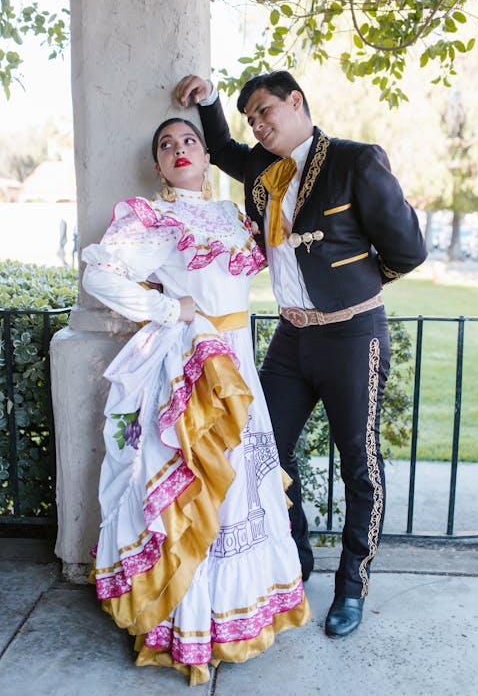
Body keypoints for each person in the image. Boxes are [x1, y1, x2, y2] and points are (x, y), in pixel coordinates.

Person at [175, 72, 428, 638]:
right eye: (252, 120)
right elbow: (219, 149)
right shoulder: (263, 171)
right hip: (292, 340)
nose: (260, 126)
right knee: (263, 447)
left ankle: (352, 587)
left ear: (297, 102)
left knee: (360, 463)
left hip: (351, 334)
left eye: (266, 112)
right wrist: (210, 101)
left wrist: (354, 287)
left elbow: (409, 249)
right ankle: (297, 552)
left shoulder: (356, 161)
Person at [81, 118, 311, 686]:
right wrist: (169, 309)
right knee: (194, 493)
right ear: (158, 164)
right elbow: (101, 276)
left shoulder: (234, 214)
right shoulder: (155, 218)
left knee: (238, 492)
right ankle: (188, 630)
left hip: (238, 365)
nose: (179, 150)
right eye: (166, 145)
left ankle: (231, 619)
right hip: (191, 366)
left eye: (188, 141)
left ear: (208, 155)